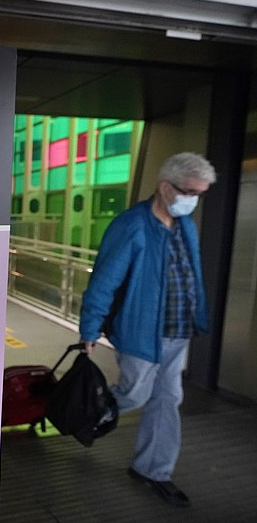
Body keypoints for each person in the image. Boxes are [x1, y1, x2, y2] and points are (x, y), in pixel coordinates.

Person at [79, 152, 216, 508]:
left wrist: (198, 313)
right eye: (189, 191)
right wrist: (89, 329)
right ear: (164, 187)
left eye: (200, 193)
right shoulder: (132, 226)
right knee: (136, 395)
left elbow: (191, 273)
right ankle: (87, 412)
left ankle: (153, 470)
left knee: (168, 400)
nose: (193, 200)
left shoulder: (186, 225)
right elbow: (105, 281)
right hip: (141, 332)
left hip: (178, 331)